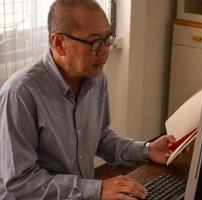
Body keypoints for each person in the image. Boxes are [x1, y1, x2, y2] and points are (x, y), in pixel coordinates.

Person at [0, 0, 176, 199]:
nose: (104, 50)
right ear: (59, 44)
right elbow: (20, 181)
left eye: (107, 38)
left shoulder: (97, 80)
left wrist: (146, 150)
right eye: (94, 42)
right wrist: (96, 189)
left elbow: (100, 137)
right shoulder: (19, 95)